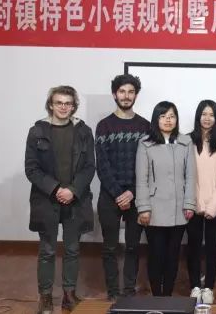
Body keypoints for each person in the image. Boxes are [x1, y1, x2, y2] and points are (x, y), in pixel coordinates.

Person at [25, 85, 95, 314]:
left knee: (72, 249)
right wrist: (56, 189)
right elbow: (31, 169)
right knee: (47, 250)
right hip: (47, 200)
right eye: (59, 103)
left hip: (76, 200)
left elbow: (89, 167)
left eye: (68, 103)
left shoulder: (84, 131)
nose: (63, 107)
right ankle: (45, 297)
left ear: (73, 106)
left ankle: (69, 294)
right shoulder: (37, 131)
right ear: (51, 105)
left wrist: (72, 190)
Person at [95, 74, 150, 301]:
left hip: (137, 195)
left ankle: (128, 291)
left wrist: (132, 192)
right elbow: (102, 165)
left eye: (130, 92)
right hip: (110, 196)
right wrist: (119, 193)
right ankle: (112, 292)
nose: (126, 96)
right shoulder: (104, 126)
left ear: (136, 95)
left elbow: (148, 165)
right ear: (114, 94)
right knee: (109, 247)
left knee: (132, 246)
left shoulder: (145, 126)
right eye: (122, 91)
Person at [135, 101, 197, 296]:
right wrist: (143, 207)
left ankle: (168, 295)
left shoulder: (186, 142)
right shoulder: (145, 143)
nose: (168, 120)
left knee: (173, 255)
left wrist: (189, 204)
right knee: (156, 255)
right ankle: (157, 296)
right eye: (163, 116)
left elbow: (191, 176)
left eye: (171, 116)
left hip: (179, 209)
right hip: (154, 209)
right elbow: (141, 178)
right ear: (156, 119)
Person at [186, 100, 216, 304]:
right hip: (192, 204)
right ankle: (195, 286)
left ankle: (209, 287)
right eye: (204, 114)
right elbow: (187, 175)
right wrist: (195, 203)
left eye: (211, 114)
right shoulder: (187, 141)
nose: (207, 118)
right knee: (193, 245)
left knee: (213, 246)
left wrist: (212, 206)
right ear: (198, 116)